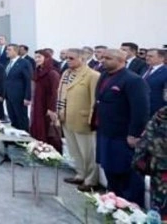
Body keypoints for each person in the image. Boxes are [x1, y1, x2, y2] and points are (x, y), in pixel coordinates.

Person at [95, 49, 149, 206]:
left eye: (108, 58)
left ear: (120, 60)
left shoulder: (133, 80)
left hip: (122, 135)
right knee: (109, 169)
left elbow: (140, 110)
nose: (103, 60)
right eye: (103, 57)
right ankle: (113, 202)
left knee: (125, 173)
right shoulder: (104, 76)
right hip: (105, 131)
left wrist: (134, 134)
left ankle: (131, 207)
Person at [55, 48, 100, 192]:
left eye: (71, 58)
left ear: (82, 59)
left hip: (83, 119)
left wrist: (92, 119)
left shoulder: (92, 75)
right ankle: (80, 174)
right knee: (74, 150)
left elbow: (94, 100)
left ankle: (91, 179)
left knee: (87, 152)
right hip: (66, 117)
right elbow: (61, 94)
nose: (68, 60)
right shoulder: (66, 73)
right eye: (67, 58)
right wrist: (58, 113)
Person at [133, 106, 167, 220]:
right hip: (160, 174)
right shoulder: (161, 114)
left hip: (158, 172)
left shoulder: (161, 114)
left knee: (158, 212)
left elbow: (146, 141)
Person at [30, 49, 62, 152]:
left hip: (47, 106)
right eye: (35, 57)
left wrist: (52, 109)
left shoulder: (52, 73)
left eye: (39, 57)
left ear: (47, 58)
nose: (37, 59)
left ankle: (51, 152)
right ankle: (39, 149)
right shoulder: (38, 71)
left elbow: (55, 92)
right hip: (38, 104)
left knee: (49, 130)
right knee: (38, 126)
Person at [4, 44, 32, 131]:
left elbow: (28, 81)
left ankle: (25, 136)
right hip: (8, 95)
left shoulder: (24, 63)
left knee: (21, 118)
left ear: (15, 51)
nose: (6, 51)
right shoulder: (8, 63)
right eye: (6, 50)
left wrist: (27, 97)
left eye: (9, 50)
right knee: (12, 117)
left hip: (19, 96)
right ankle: (15, 134)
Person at [144, 49, 167, 117]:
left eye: (151, 56)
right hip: (142, 107)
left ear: (161, 58)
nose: (147, 58)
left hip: (156, 110)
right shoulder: (145, 69)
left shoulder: (165, 72)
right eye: (147, 56)